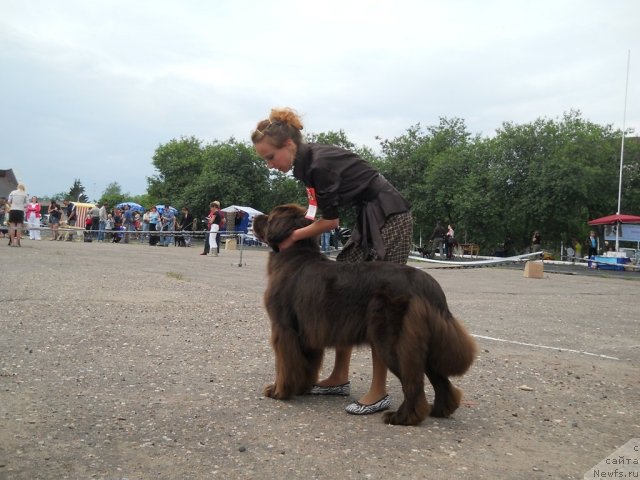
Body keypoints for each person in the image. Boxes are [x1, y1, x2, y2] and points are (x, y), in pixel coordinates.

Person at [252, 107, 412, 415]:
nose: (270, 165)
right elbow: (314, 213)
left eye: (270, 157)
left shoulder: (319, 164)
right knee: (340, 293)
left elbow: (331, 222)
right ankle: (339, 377)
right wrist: (293, 226)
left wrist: (292, 237)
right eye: (265, 160)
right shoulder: (306, 164)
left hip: (390, 218)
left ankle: (379, 392)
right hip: (370, 218)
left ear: (288, 146)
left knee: (379, 303)